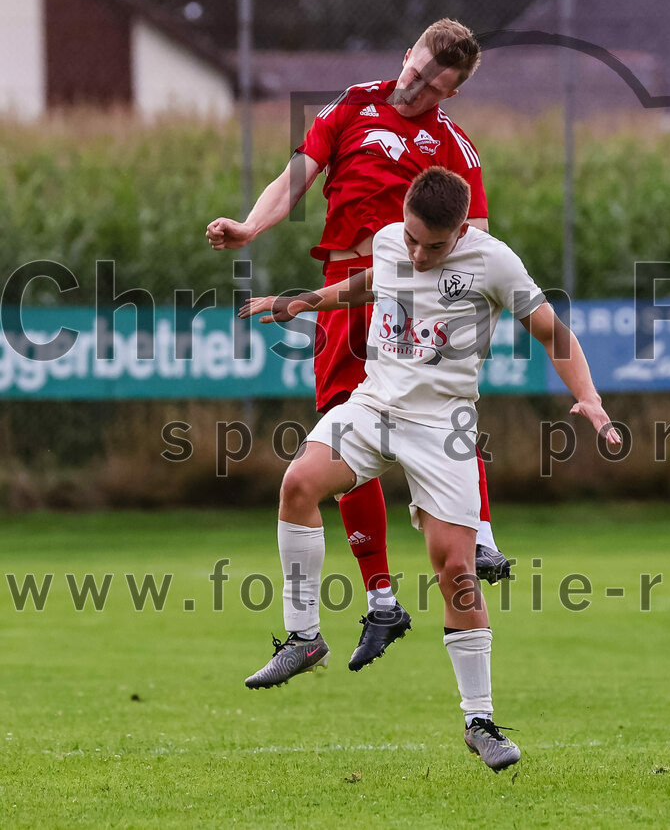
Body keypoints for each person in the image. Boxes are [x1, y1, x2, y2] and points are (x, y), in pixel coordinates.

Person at [239, 168, 620, 771]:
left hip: (444, 424)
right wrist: (302, 301)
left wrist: (591, 399)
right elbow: (370, 282)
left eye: (433, 247)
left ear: (462, 230)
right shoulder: (392, 240)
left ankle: (480, 720)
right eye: (412, 238)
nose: (417, 253)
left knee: (458, 571)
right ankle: (304, 638)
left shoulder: (494, 263)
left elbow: (552, 331)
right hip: (374, 403)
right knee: (298, 485)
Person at [206, 19, 511, 671]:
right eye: (417, 70)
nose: (418, 86)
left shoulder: (454, 146)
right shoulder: (350, 107)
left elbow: (476, 237)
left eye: (434, 85)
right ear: (406, 54)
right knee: (343, 435)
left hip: (403, 296)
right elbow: (296, 177)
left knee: (441, 403)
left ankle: (480, 538)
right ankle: (380, 600)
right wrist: (251, 227)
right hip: (342, 291)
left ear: (449, 94)